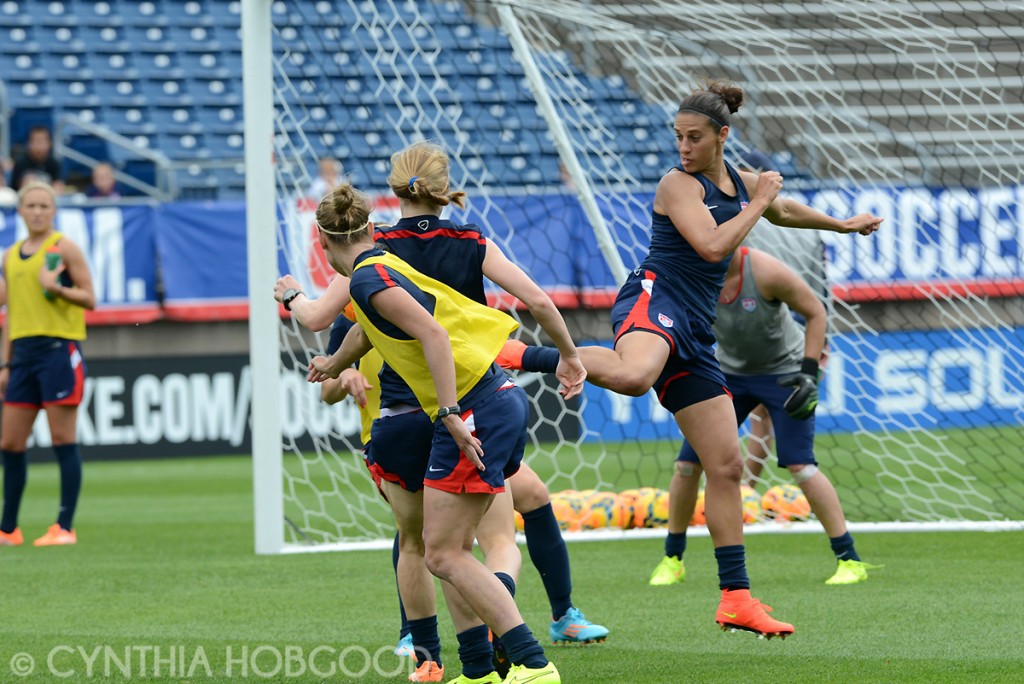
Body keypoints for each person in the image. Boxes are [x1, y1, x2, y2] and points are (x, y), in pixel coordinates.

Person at [501, 80, 881, 639]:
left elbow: (785, 210)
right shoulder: (678, 184)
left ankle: (736, 599)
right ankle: (517, 353)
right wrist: (758, 201)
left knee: (725, 465)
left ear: (722, 136)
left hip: (696, 329)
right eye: (678, 136)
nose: (683, 146)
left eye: (694, 137)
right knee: (633, 377)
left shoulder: (741, 183)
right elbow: (711, 246)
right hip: (657, 296)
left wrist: (841, 225)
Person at [307, 181, 568, 684]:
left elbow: (431, 333)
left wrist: (448, 410)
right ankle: (479, 670)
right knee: (448, 548)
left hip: (473, 408)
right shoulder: (383, 262)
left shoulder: (367, 275)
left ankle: (532, 665)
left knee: (444, 550)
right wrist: (336, 362)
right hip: (490, 399)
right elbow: (368, 328)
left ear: (324, 244)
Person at [373, 142, 608, 660]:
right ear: (443, 187)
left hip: (405, 404)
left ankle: (423, 650)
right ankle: (521, 633)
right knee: (488, 541)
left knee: (420, 541)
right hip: (471, 404)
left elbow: (341, 317)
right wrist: (569, 355)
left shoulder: (376, 250)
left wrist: (298, 306)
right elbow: (539, 300)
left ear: (395, 188)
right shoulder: (471, 240)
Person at [648, 246, 882, 589]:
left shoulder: (767, 272)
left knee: (801, 465)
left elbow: (816, 312)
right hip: (727, 374)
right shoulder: (691, 276)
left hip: (784, 374)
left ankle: (850, 559)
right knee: (687, 465)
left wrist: (808, 372)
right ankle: (673, 558)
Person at [0, 181, 96, 547]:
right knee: (10, 442)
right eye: (31, 206)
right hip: (22, 357)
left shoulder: (64, 249)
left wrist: (57, 289)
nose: (37, 212)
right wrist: (5, 364)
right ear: (20, 211)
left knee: (62, 439)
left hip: (57, 351)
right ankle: (8, 529)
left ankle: (64, 527)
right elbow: (10, 314)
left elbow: (90, 298)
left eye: (44, 206)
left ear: (53, 211)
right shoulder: (10, 256)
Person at [11, 127, 64, 192]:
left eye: (42, 141)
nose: (39, 145)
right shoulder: (20, 164)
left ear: (50, 143)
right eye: (35, 141)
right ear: (29, 143)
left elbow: (58, 186)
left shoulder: (54, 164)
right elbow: (13, 190)